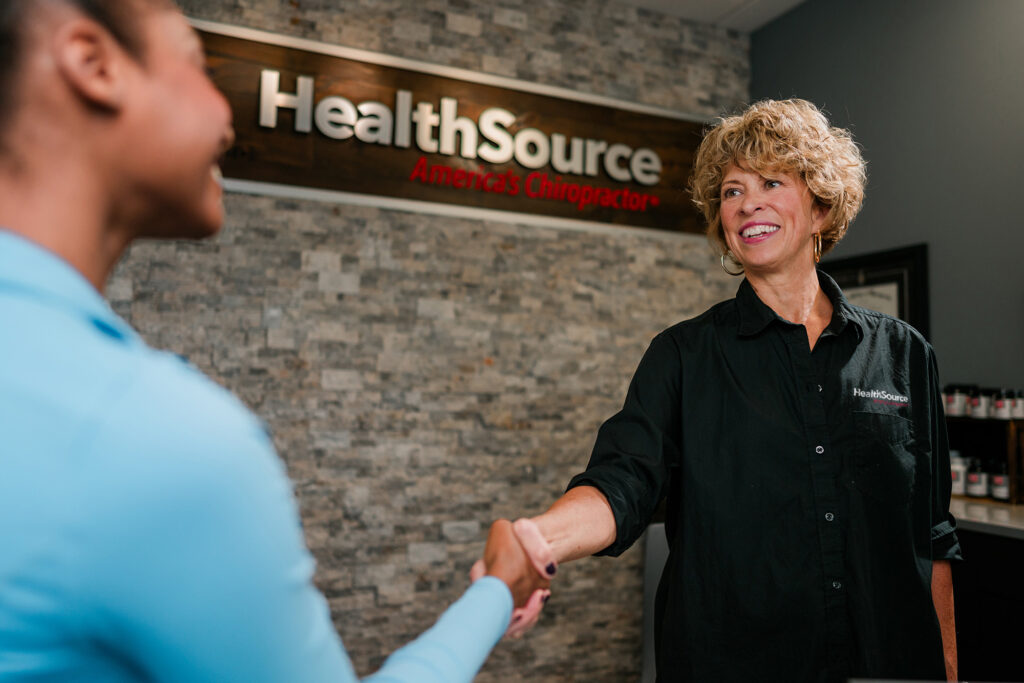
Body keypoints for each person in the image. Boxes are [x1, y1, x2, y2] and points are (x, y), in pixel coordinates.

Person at [0, 1, 551, 680]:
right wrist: (498, 589)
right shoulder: (156, 439)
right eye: (198, 61)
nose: (226, 117)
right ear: (93, 65)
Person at [503, 99, 961, 682]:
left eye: (772, 181)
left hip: (888, 663)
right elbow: (623, 482)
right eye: (731, 192)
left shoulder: (904, 354)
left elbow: (932, 532)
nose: (748, 204)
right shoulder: (683, 355)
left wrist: (947, 668)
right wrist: (536, 540)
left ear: (820, 207)